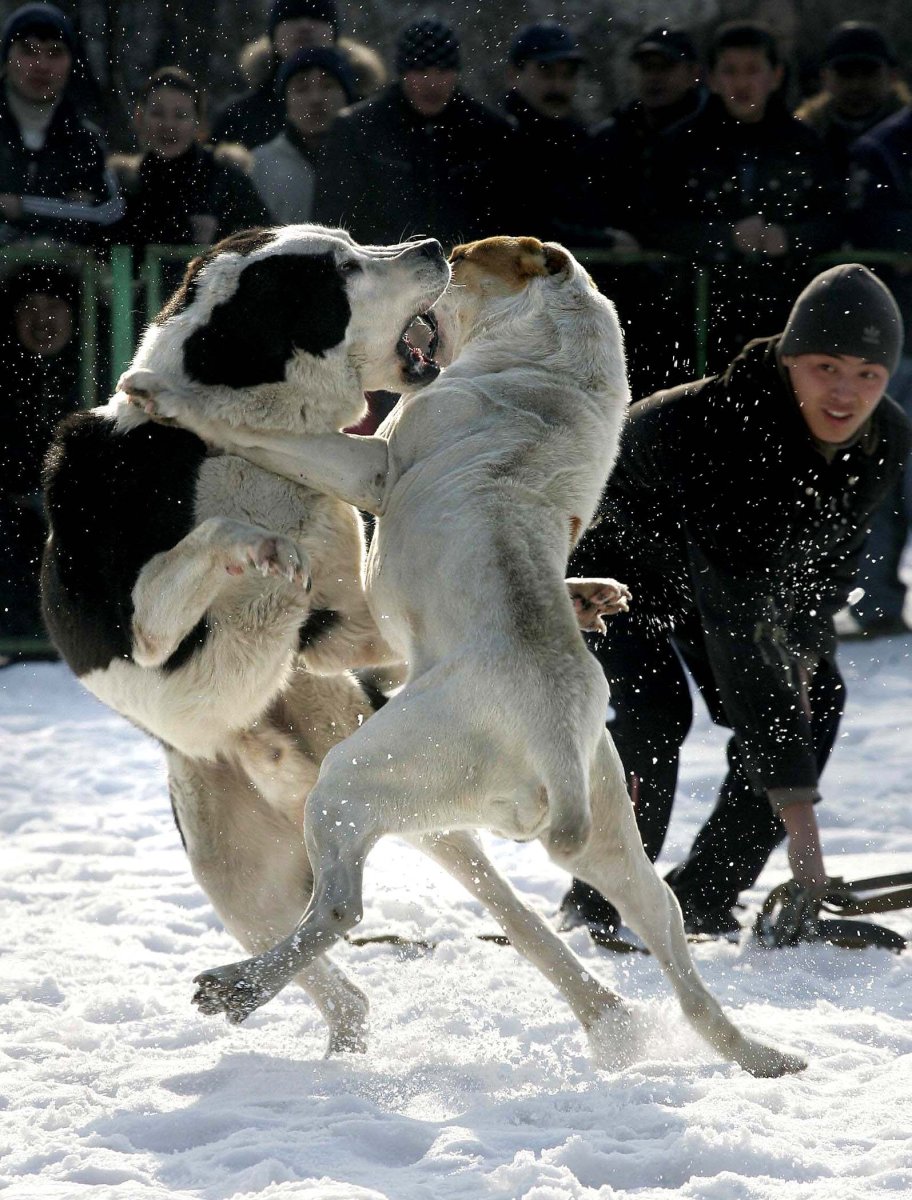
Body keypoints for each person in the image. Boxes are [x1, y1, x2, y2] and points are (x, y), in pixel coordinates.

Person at [559, 264, 911, 941]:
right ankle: (602, 898)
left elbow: (825, 566)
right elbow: (738, 623)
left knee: (817, 698)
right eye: (825, 367)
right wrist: (802, 823)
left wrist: (805, 652)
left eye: (868, 374)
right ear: (788, 359)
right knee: (656, 711)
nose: (846, 393)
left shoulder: (885, 435)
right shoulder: (730, 428)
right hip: (612, 572)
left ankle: (705, 895)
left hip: (719, 582)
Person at [647, 20, 842, 371]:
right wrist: (724, 238)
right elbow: (653, 221)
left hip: (784, 318)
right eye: (730, 70)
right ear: (712, 78)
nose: (742, 82)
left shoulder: (806, 144)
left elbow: (835, 220)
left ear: (776, 76)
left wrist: (791, 238)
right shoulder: (680, 145)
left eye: (753, 70)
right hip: (695, 319)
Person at [314, 16, 516, 247]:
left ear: (456, 72)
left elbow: (512, 221)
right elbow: (334, 223)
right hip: (384, 270)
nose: (432, 82)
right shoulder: (359, 129)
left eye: (442, 70)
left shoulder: (491, 132)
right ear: (402, 73)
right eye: (420, 70)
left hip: (468, 273)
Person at [590, 26, 705, 396]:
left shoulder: (711, 136)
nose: (655, 77)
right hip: (627, 301)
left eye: (666, 67)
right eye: (647, 67)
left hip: (698, 302)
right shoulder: (611, 138)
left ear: (693, 73)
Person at [840, 108, 912, 636]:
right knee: (882, 471)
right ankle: (876, 602)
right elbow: (872, 225)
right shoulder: (883, 146)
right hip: (896, 340)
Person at [0, 263, 81, 642]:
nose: (41, 320)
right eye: (29, 308)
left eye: (54, 308)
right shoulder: (6, 370)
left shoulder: (93, 365)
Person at [0, 3, 123, 245]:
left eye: (54, 52)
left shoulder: (86, 142)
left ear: (70, 62)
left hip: (69, 279)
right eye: (28, 50)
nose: (41, 65)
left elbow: (109, 214)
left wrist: (21, 206)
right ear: (6, 57)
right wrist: (64, 209)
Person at [111, 67, 268, 255]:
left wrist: (221, 236)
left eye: (181, 115)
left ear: (198, 124)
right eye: (157, 114)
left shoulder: (225, 178)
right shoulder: (126, 184)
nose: (168, 125)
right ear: (139, 118)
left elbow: (265, 240)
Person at [501, 21, 599, 244]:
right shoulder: (497, 139)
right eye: (546, 73)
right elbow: (522, 225)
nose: (558, 86)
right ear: (514, 75)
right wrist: (603, 242)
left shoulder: (582, 141)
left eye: (568, 75)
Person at [211, 0, 339, 150]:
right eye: (292, 17)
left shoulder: (364, 110)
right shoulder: (239, 118)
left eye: (316, 17)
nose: (304, 26)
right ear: (273, 34)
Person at [251, 46, 356, 224]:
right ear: (285, 101)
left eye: (328, 86)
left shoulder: (372, 157)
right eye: (301, 88)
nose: (316, 99)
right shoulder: (259, 165)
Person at [795, 22, 909, 177]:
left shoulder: (906, 132)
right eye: (845, 73)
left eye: (869, 73)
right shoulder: (804, 135)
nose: (856, 85)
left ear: (892, 76)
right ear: (825, 77)